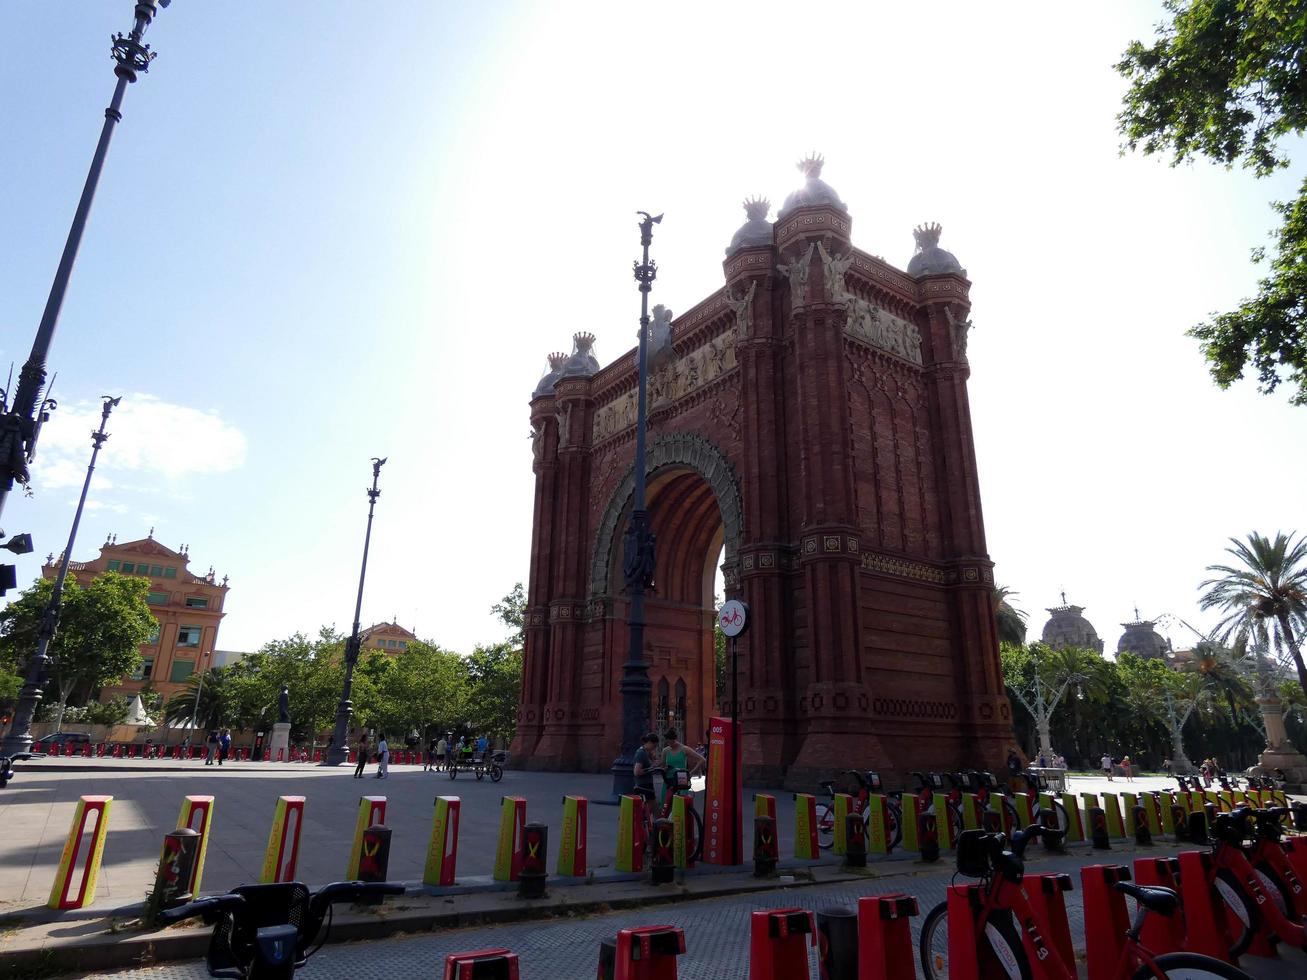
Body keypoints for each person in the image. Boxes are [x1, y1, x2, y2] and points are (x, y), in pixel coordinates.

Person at [658, 729, 706, 813]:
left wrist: (691, 773)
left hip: (681, 780)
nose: (668, 743)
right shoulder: (665, 751)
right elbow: (662, 765)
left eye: (670, 741)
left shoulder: (684, 749)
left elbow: (702, 760)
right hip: (668, 781)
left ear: (674, 739)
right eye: (667, 742)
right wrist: (663, 768)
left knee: (681, 806)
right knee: (665, 806)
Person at [633, 732, 659, 807]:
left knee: (648, 808)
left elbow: (655, 762)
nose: (655, 748)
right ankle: (660, 819)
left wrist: (655, 761)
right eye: (654, 746)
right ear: (650, 742)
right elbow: (637, 772)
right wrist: (652, 767)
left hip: (647, 783)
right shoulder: (641, 753)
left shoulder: (647, 752)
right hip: (644, 785)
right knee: (654, 807)